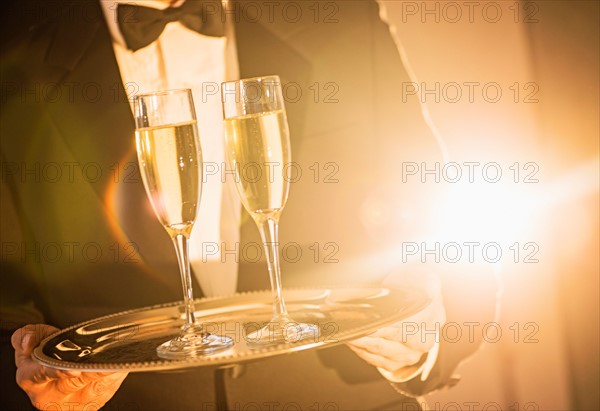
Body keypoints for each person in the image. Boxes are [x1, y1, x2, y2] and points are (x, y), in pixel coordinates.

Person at [1, 1, 497, 410]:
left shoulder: (340, 18)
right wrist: (34, 378)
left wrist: (421, 347)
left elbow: (451, 239)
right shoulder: (13, 47)